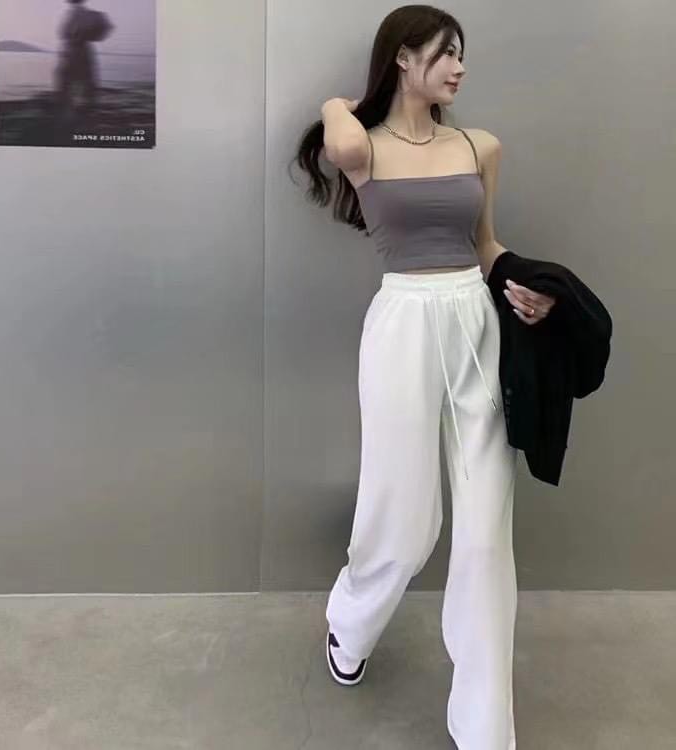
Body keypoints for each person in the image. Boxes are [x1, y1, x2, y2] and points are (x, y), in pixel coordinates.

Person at [292, 6, 556, 750]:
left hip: (475, 320)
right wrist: (338, 100)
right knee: (404, 518)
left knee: (485, 532)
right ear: (404, 58)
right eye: (446, 53)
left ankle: (485, 726)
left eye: (461, 54)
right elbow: (343, 137)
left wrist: (525, 291)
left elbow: (486, 244)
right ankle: (349, 624)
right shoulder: (362, 146)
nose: (460, 67)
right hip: (402, 325)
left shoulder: (479, 145)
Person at [54, 0, 113, 119]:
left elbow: (62, 34)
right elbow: (106, 27)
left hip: (75, 51)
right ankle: (78, 110)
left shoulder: (87, 14)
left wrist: (90, 36)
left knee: (72, 82)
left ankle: (75, 111)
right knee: (81, 82)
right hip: (75, 51)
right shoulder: (83, 14)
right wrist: (93, 36)